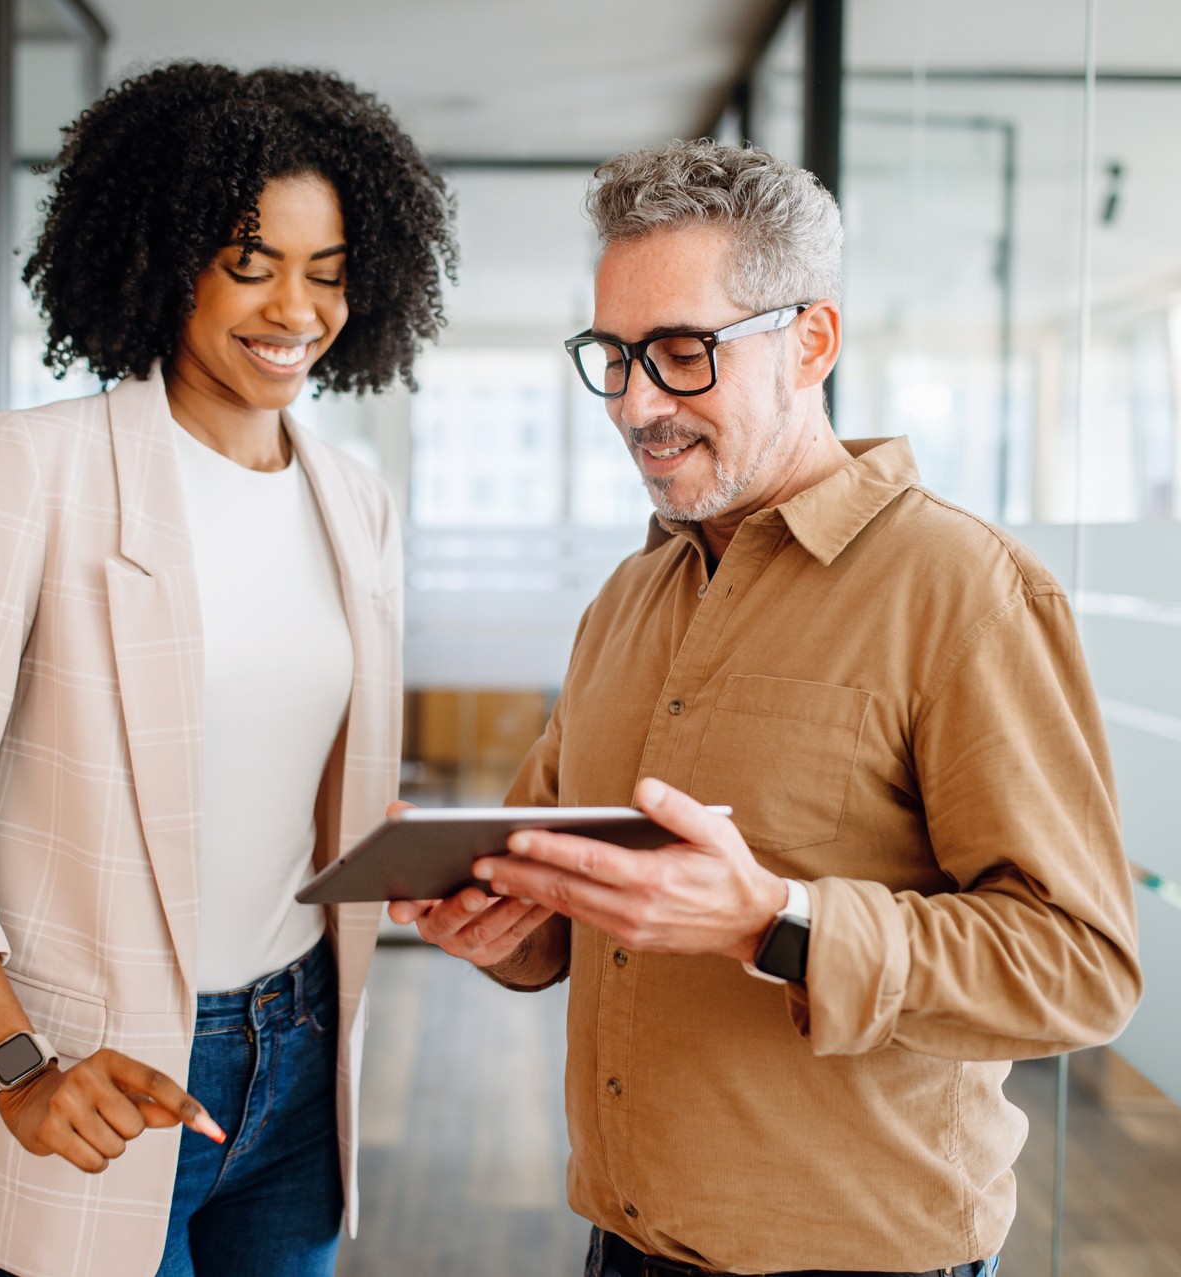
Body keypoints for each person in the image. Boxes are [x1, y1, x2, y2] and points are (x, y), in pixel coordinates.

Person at [393, 139, 1141, 1277]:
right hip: (623, 1239)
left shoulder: (966, 590)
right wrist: (501, 927)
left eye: (683, 353)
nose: (637, 402)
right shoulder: (628, 597)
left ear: (812, 341)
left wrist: (774, 920)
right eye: (615, 355)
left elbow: (1078, 966)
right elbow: (559, 893)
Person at [0, 63, 454, 1277]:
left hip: (302, 1047)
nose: (297, 309)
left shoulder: (357, 502)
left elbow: (304, 787)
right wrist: (19, 1066)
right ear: (164, 253)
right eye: (251, 262)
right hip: (96, 1071)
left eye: (328, 273)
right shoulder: (39, 468)